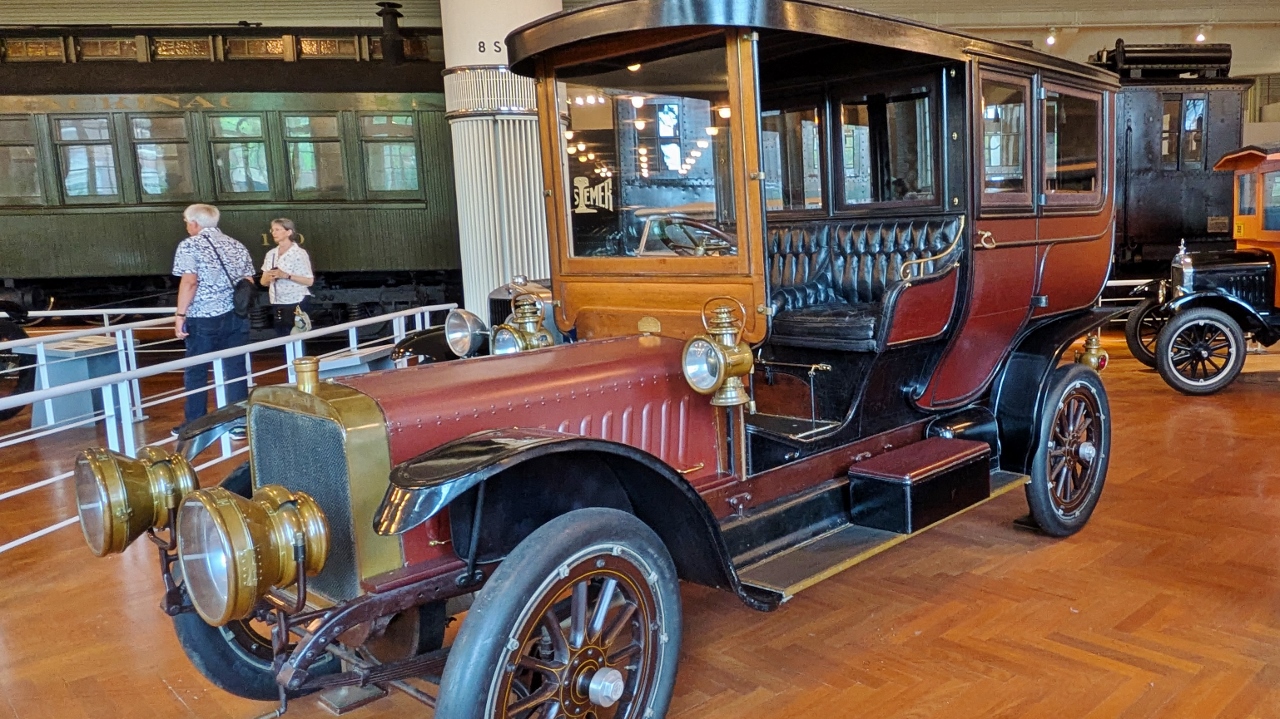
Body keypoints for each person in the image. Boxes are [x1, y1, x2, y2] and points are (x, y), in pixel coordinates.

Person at [172, 203, 255, 438]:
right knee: (235, 368)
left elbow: (190, 282)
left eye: (186, 222)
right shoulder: (236, 244)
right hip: (235, 316)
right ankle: (238, 423)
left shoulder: (190, 245)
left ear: (194, 223)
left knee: (197, 370)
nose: (187, 226)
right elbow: (248, 281)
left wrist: (180, 315)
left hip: (203, 317)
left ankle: (196, 423)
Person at [260, 218, 314, 337]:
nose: (274, 233)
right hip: (277, 302)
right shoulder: (271, 254)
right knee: (282, 336)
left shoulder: (299, 253)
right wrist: (269, 278)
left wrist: (286, 275)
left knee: (296, 337)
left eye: (278, 229)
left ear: (289, 232)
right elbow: (263, 282)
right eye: (272, 230)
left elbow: (309, 281)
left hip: (296, 301)